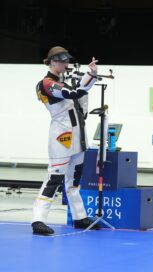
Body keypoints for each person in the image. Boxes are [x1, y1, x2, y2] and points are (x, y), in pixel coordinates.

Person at [32, 46, 99, 235]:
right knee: (54, 178)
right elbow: (73, 92)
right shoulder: (45, 83)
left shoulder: (63, 82)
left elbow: (78, 94)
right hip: (61, 139)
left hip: (77, 138)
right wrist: (90, 76)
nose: (66, 63)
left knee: (74, 182)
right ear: (52, 62)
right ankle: (38, 219)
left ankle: (79, 217)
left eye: (66, 60)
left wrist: (91, 75)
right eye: (62, 61)